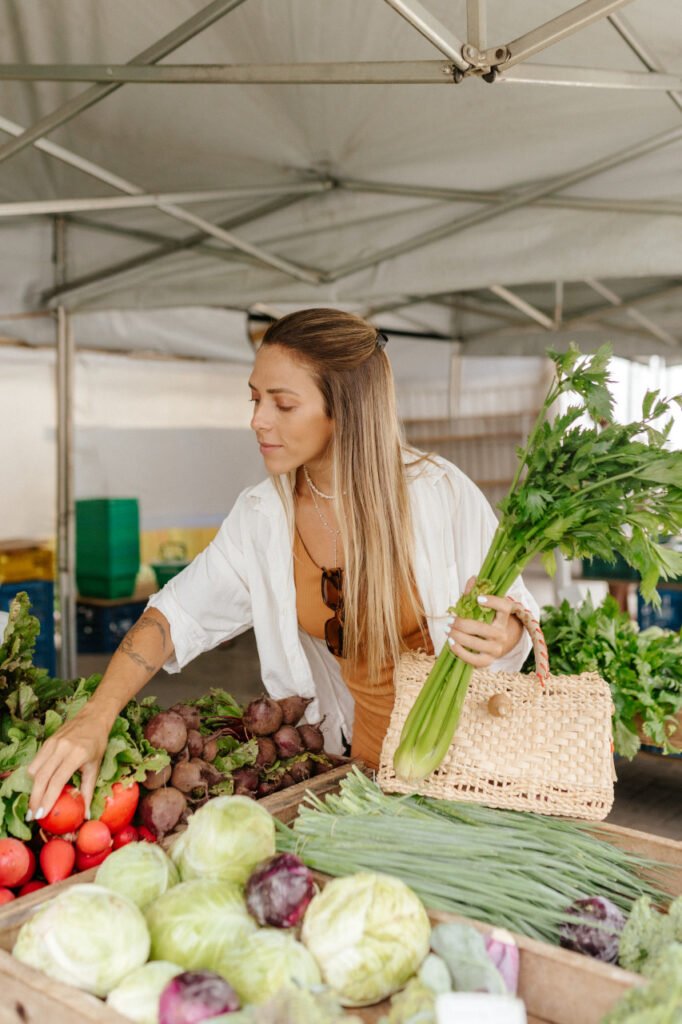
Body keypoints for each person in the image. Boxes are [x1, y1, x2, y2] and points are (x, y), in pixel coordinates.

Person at [27, 308, 537, 819]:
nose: (257, 420)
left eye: (283, 404)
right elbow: (173, 617)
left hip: (474, 777)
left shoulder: (437, 493)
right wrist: (96, 714)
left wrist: (505, 632)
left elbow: (516, 616)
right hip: (364, 776)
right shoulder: (262, 516)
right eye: (255, 398)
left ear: (346, 410)